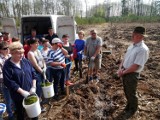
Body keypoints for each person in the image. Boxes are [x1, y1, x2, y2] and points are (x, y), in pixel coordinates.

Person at [117, 26, 149, 119]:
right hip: (125, 70)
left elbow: (135, 66)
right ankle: (128, 105)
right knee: (126, 91)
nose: (132, 36)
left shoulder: (143, 49)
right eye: (133, 34)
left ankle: (132, 109)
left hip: (132, 74)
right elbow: (125, 58)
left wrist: (123, 72)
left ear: (141, 37)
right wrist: (120, 68)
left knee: (131, 92)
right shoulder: (132, 45)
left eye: (135, 35)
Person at [3, 42, 38, 120]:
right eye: (18, 54)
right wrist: (22, 92)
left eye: (22, 53)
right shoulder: (7, 66)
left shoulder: (25, 61)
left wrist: (33, 86)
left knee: (34, 114)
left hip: (30, 92)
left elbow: (33, 73)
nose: (21, 55)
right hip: (18, 95)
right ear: (12, 53)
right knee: (20, 113)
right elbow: (9, 82)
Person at [0, 41, 14, 120]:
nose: (7, 49)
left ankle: (15, 111)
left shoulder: (9, 56)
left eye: (8, 48)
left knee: (14, 98)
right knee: (8, 100)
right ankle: (10, 115)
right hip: (6, 84)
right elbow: (0, 75)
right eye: (5, 48)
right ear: (0, 50)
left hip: (14, 82)